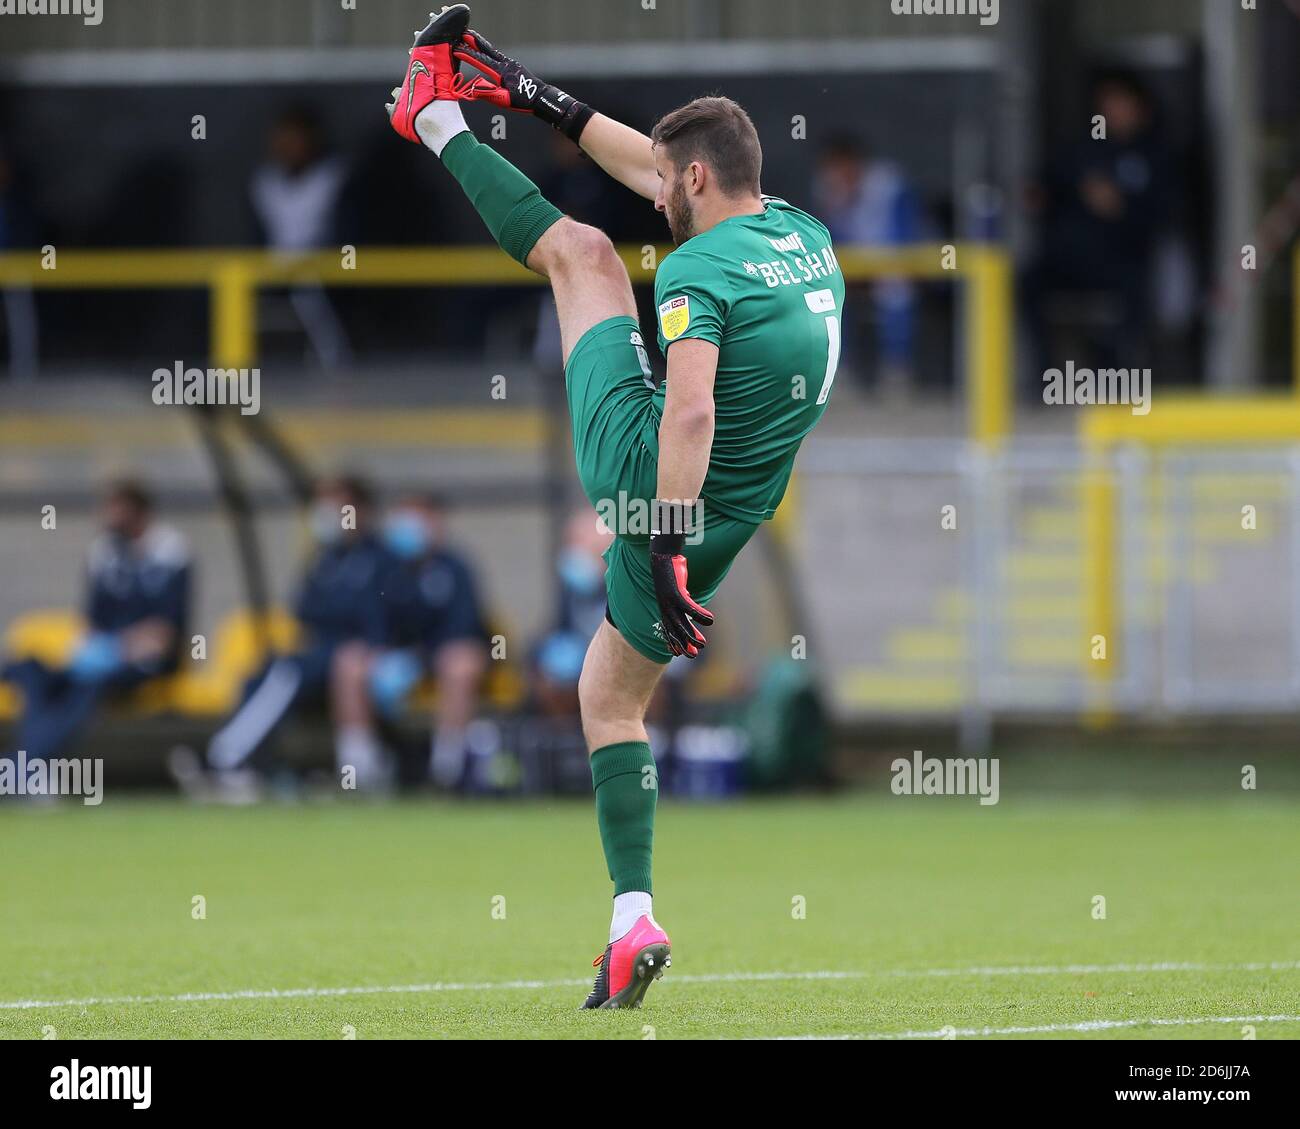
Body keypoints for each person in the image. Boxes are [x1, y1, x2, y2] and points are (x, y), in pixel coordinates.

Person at [386, 4, 844, 1008]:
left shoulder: (695, 269)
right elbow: (655, 168)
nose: (658, 193)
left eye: (667, 183)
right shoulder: (801, 236)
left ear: (693, 184)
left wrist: (658, 542)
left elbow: (688, 415)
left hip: (656, 494)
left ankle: (430, 119)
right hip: (730, 515)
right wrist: (528, 91)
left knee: (582, 254)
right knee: (614, 695)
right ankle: (630, 916)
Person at [202, 476, 389, 789]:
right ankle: (253, 764)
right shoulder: (325, 559)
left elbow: (375, 619)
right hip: (320, 650)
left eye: (338, 505)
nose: (328, 514)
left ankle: (227, 758)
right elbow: (303, 610)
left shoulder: (380, 559)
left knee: (286, 673)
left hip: (356, 656)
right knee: (260, 674)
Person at [3, 480, 191, 767]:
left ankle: (25, 768)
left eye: (118, 509)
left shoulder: (171, 555)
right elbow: (92, 624)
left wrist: (117, 649)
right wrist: (98, 651)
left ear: (139, 512)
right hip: (106, 658)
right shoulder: (104, 554)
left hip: (146, 666)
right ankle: (26, 767)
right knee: (33, 674)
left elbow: (162, 637)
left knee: (88, 687)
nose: (110, 517)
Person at [351, 493, 490, 788]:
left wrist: (418, 659)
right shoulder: (382, 568)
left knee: (462, 662)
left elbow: (464, 627)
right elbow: (371, 620)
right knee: (349, 663)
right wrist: (383, 654)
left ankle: (448, 768)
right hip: (392, 659)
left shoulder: (456, 568)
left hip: (436, 659)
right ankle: (359, 768)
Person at [813, 135, 923, 395]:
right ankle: (839, 372)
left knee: (896, 296)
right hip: (854, 265)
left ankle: (897, 373)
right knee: (827, 297)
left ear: (854, 162)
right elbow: (828, 236)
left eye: (841, 167)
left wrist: (883, 267)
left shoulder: (888, 183)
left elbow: (906, 231)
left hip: (893, 260)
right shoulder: (828, 187)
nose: (837, 174)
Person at [250, 106, 353, 368]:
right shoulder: (265, 181)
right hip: (274, 268)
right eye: (281, 139)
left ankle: (335, 363)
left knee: (310, 291)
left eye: (294, 138)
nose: (286, 146)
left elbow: (346, 234)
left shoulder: (334, 176)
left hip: (325, 269)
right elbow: (256, 236)